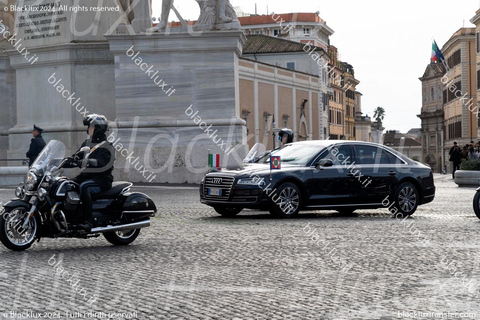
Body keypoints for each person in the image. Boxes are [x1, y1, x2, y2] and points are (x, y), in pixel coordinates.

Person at [66, 114, 115, 231]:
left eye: (91, 127)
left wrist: (87, 161)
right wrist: (65, 161)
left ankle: (88, 221)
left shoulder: (107, 147)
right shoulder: (86, 144)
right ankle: (71, 216)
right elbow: (76, 157)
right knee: (66, 185)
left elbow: (103, 163)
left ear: (98, 129)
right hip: (85, 176)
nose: (88, 130)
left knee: (84, 187)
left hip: (101, 180)